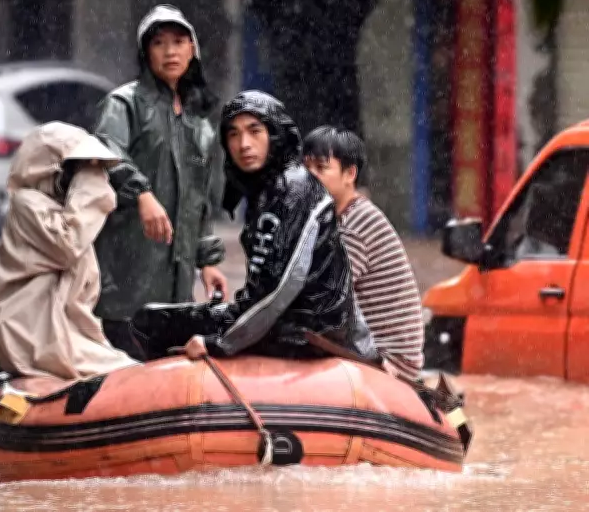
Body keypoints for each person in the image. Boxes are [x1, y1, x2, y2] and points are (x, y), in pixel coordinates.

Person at [129, 90, 380, 364]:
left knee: (158, 327)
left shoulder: (296, 188)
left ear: (275, 135)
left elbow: (280, 288)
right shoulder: (266, 190)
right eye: (233, 134)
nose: (243, 144)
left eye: (254, 131)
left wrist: (218, 342)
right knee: (152, 320)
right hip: (286, 322)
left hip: (311, 333)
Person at [92, 4, 227, 359]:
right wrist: (142, 194)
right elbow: (106, 151)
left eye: (179, 42)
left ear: (192, 49)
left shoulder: (199, 123)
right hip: (127, 274)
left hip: (177, 288)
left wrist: (207, 261)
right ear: (145, 52)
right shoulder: (123, 104)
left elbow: (198, 202)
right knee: (127, 371)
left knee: (171, 371)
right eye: (159, 43)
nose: (170, 52)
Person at [0, 121, 139, 380]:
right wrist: (91, 187)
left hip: (61, 331)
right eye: (78, 167)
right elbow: (68, 245)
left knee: (133, 371)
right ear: (51, 168)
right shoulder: (28, 204)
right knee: (130, 376)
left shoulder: (61, 209)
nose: (86, 175)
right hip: (33, 333)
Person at [303, 125, 424, 380]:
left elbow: (324, 299)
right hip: (373, 350)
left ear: (350, 174)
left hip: (389, 361)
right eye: (307, 168)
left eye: (321, 168)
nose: (310, 177)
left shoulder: (353, 226)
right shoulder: (337, 217)